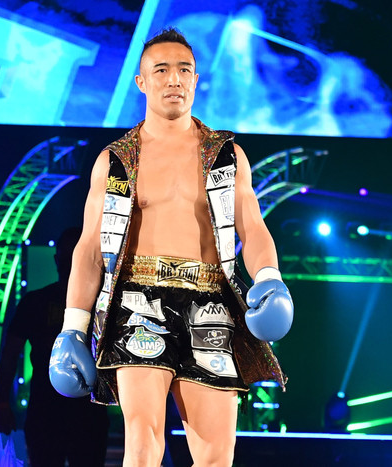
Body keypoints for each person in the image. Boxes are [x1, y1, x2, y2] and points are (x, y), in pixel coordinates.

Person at [49, 28, 293, 466]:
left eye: (184, 70)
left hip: (211, 303)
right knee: (143, 444)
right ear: (141, 81)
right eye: (161, 70)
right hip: (138, 303)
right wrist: (73, 326)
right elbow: (90, 248)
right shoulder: (117, 160)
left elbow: (252, 228)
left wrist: (270, 278)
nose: (174, 79)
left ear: (196, 80)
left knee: (216, 456)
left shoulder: (225, 155)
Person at [0, 227, 109, 466]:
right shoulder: (100, 304)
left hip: (76, 412)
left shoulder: (36, 301)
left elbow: (9, 355)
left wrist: (3, 402)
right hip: (58, 411)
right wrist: (2, 402)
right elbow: (9, 355)